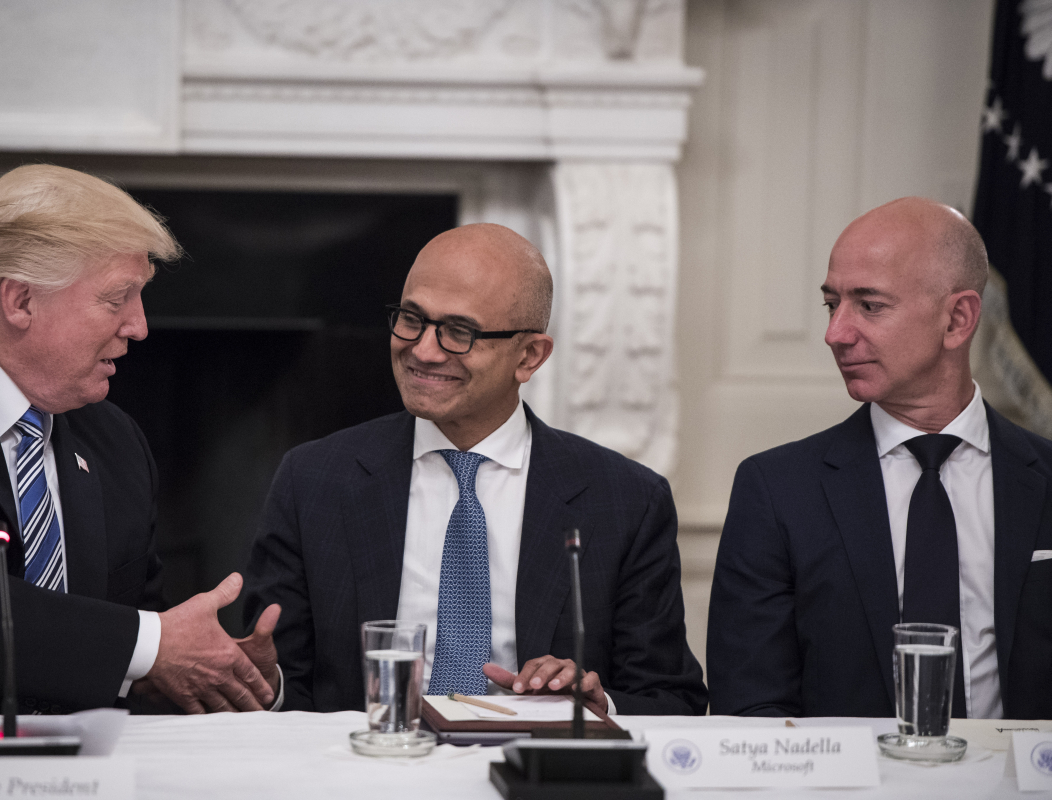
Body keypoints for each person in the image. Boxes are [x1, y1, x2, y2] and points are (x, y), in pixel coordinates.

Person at [0, 164, 279, 716]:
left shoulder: (115, 441)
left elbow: (125, 648)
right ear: (21, 301)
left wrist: (221, 670)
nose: (139, 326)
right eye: (117, 297)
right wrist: (149, 644)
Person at [239, 223, 707, 716]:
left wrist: (596, 706)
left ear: (529, 356)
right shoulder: (314, 479)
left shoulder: (625, 500)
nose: (422, 349)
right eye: (411, 318)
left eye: (459, 332)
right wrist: (264, 683)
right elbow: (280, 681)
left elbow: (673, 699)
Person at [707, 197, 1052, 719]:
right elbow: (751, 707)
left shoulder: (1044, 478)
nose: (835, 333)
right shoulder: (777, 490)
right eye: (831, 304)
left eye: (869, 305)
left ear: (958, 319)